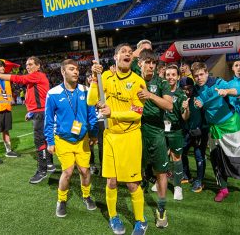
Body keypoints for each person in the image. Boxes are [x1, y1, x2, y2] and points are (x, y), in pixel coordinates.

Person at [88, 43, 148, 235]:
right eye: (123, 51)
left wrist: (112, 112)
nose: (128, 54)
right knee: (111, 182)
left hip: (130, 137)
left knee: (132, 184)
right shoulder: (105, 76)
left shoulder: (138, 81)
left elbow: (137, 113)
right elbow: (91, 100)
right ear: (115, 57)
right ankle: (113, 216)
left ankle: (141, 221)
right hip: (110, 136)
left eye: (130, 52)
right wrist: (94, 81)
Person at [192, 62, 240, 202]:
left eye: (201, 74)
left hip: (231, 126)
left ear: (206, 72)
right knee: (217, 159)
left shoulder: (218, 82)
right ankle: (223, 189)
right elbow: (201, 101)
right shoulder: (196, 89)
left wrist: (226, 91)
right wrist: (199, 104)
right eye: (196, 76)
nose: (199, 78)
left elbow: (238, 90)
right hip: (214, 128)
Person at [44, 59, 98, 218]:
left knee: (84, 170)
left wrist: (94, 134)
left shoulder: (86, 90)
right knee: (67, 172)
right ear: (63, 72)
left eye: (77, 69)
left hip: (82, 139)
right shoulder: (52, 94)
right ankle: (61, 200)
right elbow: (49, 120)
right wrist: (50, 141)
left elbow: (91, 115)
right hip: (63, 139)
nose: (76, 72)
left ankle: (86, 196)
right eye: (71, 69)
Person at [0, 56, 55, 183]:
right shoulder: (35, 78)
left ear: (38, 66)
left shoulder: (37, 75)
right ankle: (49, 164)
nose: (28, 66)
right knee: (45, 139)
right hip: (39, 112)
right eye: (27, 64)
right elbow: (36, 96)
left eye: (30, 64)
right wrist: (30, 112)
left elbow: (18, 78)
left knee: (40, 142)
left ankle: (42, 171)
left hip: (40, 114)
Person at [137, 49, 173, 228]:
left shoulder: (161, 82)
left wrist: (150, 95)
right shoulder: (133, 78)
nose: (151, 66)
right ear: (140, 63)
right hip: (136, 132)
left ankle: (161, 208)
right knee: (137, 170)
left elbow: (169, 105)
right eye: (148, 62)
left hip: (157, 133)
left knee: (161, 172)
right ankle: (138, 202)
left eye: (154, 63)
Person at [162, 64, 189, 200]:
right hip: (161, 130)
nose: (170, 77)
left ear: (178, 77)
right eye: (168, 75)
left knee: (176, 158)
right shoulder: (160, 92)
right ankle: (160, 181)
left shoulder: (181, 94)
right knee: (162, 156)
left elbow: (185, 117)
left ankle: (177, 186)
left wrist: (186, 109)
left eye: (173, 75)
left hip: (175, 131)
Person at [180, 71, 210, 193]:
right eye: (184, 89)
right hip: (187, 131)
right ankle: (187, 175)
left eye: (189, 88)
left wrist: (202, 105)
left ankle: (199, 180)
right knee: (182, 152)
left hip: (200, 131)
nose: (187, 91)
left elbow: (208, 110)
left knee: (199, 156)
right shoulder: (182, 97)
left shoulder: (199, 95)